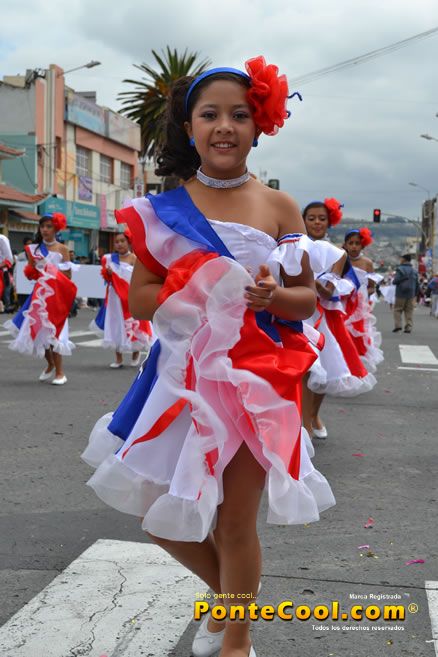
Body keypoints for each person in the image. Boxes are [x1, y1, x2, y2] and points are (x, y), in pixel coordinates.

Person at [81, 57, 345, 657]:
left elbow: (306, 301)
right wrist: (198, 283)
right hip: (181, 380)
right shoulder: (161, 211)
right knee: (156, 513)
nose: (225, 126)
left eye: (239, 115)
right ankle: (228, 602)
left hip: (256, 380)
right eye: (210, 115)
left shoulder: (279, 207)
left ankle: (237, 642)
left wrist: (273, 296)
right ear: (190, 127)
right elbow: (142, 296)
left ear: (259, 126)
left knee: (234, 521)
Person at [301, 201, 376, 440]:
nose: (316, 222)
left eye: (322, 218)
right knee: (304, 370)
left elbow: (330, 291)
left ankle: (313, 415)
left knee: (325, 370)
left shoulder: (338, 254)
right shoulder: (294, 246)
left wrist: (314, 283)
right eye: (311, 218)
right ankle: (303, 424)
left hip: (323, 316)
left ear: (329, 222)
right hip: (299, 313)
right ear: (303, 220)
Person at [4, 213, 77, 385]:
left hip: (56, 295)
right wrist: (34, 271)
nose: (45, 229)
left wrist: (51, 270)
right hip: (40, 296)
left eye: (49, 226)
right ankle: (50, 364)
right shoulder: (33, 249)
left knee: (55, 334)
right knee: (38, 332)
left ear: (56, 228)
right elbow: (31, 272)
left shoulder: (63, 249)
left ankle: (60, 373)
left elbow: (68, 275)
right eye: (42, 226)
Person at [89, 229, 153, 367]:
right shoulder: (108, 259)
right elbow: (106, 279)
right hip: (115, 298)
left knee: (135, 323)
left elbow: (139, 278)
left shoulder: (135, 259)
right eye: (116, 242)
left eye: (122, 241)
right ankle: (118, 358)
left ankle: (136, 353)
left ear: (128, 242)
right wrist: (108, 273)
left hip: (131, 296)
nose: (119, 244)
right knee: (116, 324)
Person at [342, 228, 383, 372]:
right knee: (342, 334)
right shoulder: (341, 260)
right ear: (345, 244)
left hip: (360, 307)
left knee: (358, 336)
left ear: (362, 245)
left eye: (357, 243)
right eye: (350, 243)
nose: (354, 246)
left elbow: (372, 287)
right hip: (343, 304)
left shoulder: (367, 263)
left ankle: (357, 366)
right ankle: (344, 365)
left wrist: (361, 293)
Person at [393, 254, 419, 333]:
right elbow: (417, 284)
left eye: (401, 258)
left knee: (397, 309)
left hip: (400, 293)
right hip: (411, 294)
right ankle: (408, 327)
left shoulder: (400, 269)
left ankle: (398, 326)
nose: (400, 260)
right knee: (409, 311)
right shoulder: (414, 271)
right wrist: (415, 294)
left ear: (404, 259)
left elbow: (396, 281)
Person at [0, 233, 14, 313]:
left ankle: (7, 306)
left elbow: (9, 260)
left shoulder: (1, 239)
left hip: (2, 272)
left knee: (6, 291)